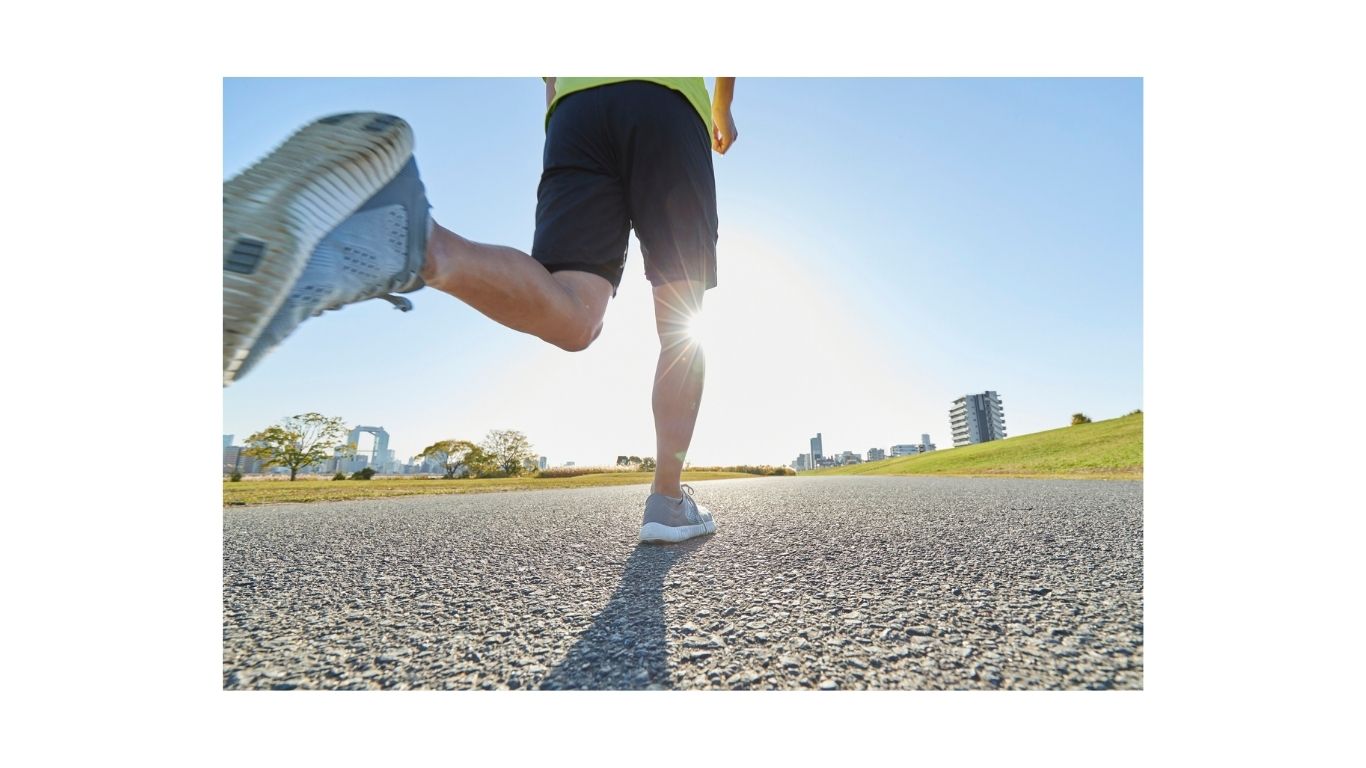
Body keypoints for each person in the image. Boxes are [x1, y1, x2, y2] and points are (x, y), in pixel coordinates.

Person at [222, 77, 738, 544]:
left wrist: (562, 123)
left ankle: (418, 241)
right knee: (680, 325)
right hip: (666, 104)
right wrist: (722, 106)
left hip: (575, 112)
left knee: (575, 317)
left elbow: (550, 75)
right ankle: (668, 499)